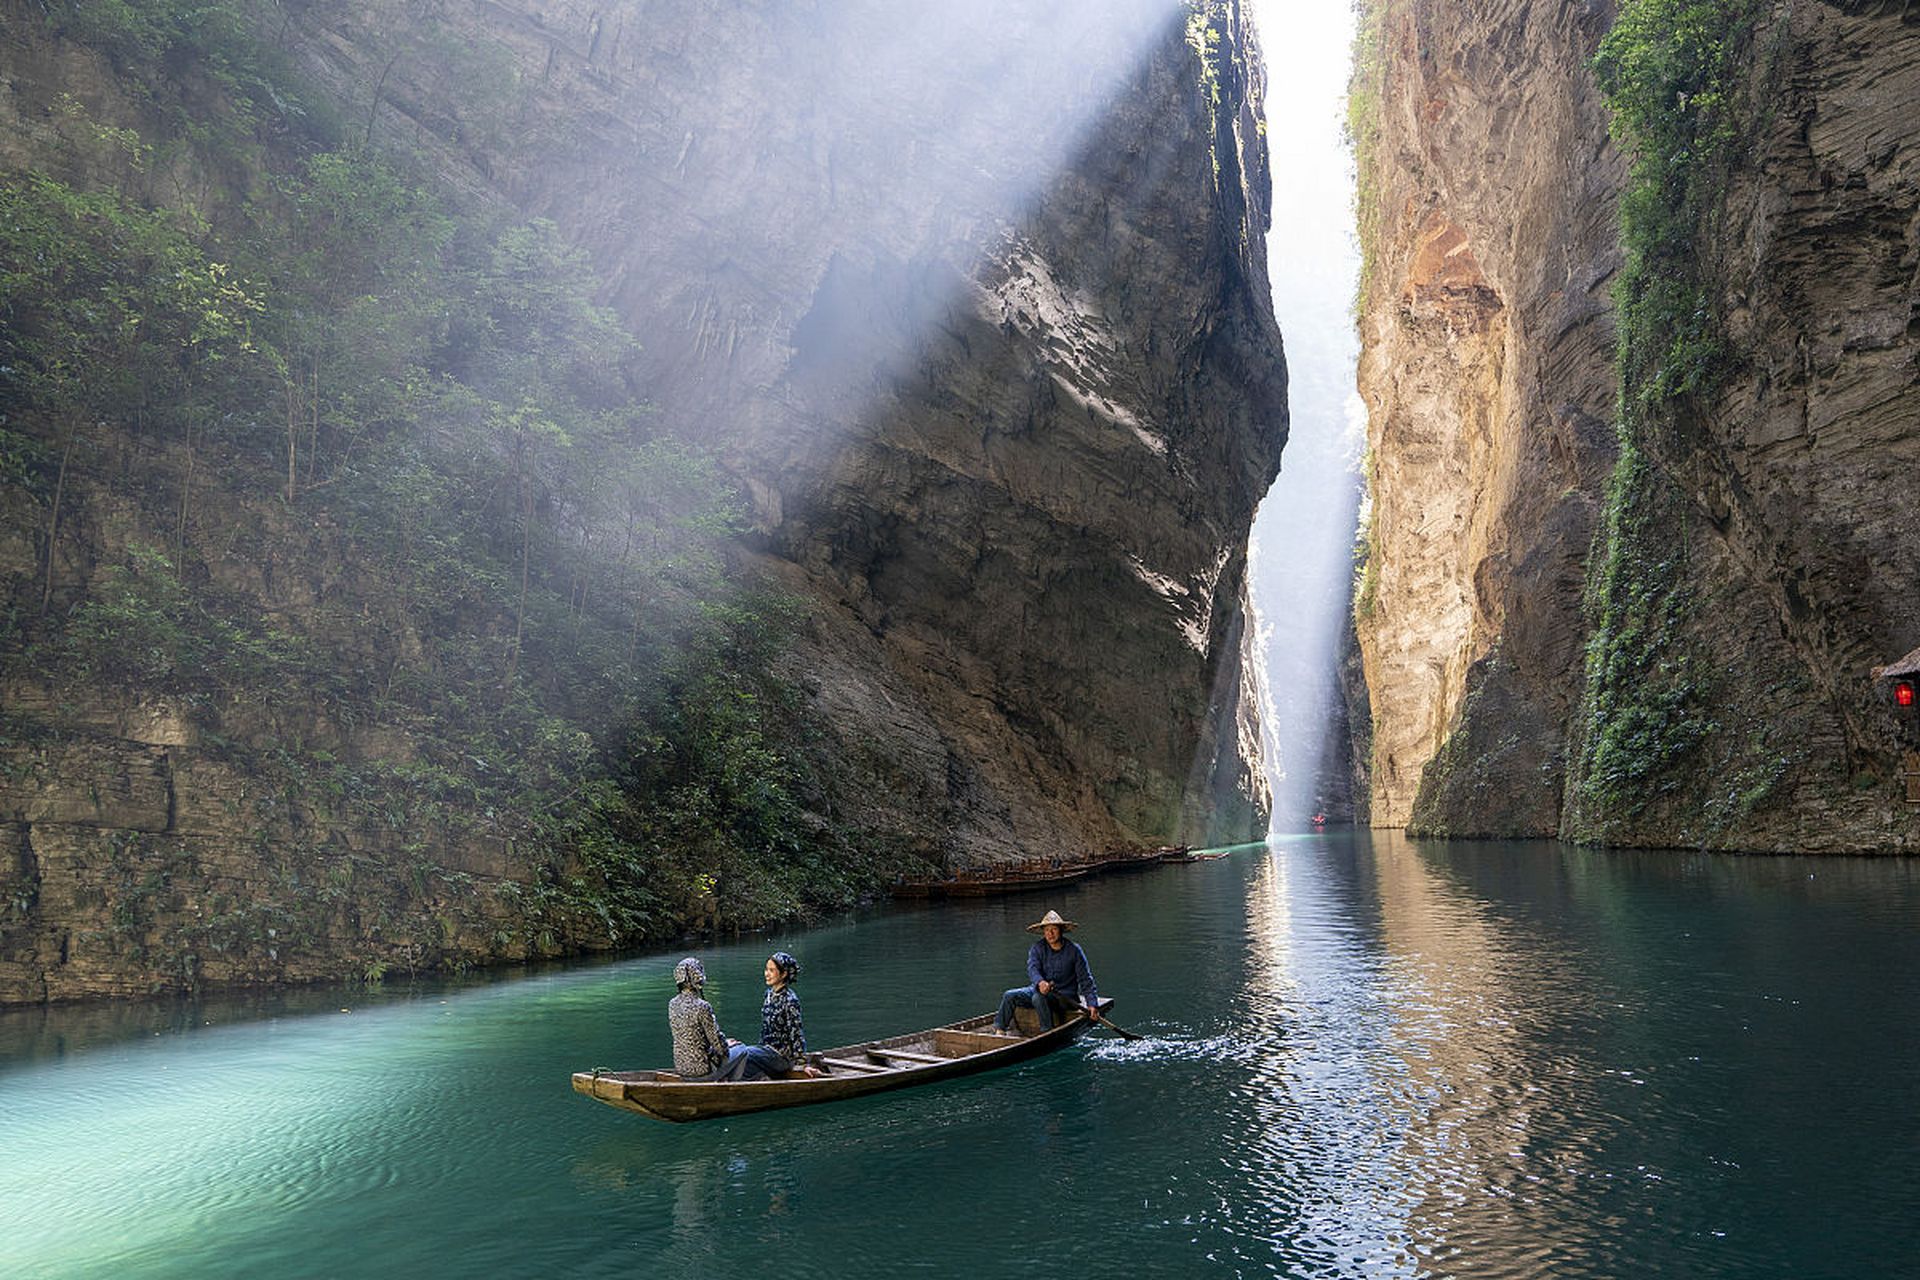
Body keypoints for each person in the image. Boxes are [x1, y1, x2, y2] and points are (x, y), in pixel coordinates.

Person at [994, 909, 1102, 1034]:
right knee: (1009, 996)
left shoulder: (1074, 950)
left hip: (1064, 997)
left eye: (1054, 929)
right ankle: (1000, 1030)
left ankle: (1047, 1032)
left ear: (1060, 930)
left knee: (1038, 998)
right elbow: (1032, 969)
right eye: (1046, 930)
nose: (1050, 934)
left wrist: (1092, 1004)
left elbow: (1085, 980)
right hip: (1038, 990)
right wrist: (1040, 982)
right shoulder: (1038, 948)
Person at [715, 951, 820, 1080]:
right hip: (766, 1052)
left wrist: (802, 1065)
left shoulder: (790, 1000)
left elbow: (797, 1034)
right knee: (740, 1055)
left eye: (771, 970)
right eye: (766, 969)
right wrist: (758, 1050)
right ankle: (754, 1080)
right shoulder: (768, 994)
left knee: (743, 1052)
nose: (766, 974)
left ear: (784, 974)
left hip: (781, 1057)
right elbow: (765, 1030)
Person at [666, 956, 736, 1080]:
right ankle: (727, 1086)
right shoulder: (702, 1006)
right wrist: (727, 1045)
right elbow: (718, 1046)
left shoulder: (672, 1004)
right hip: (702, 1068)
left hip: (681, 1066)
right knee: (741, 1050)